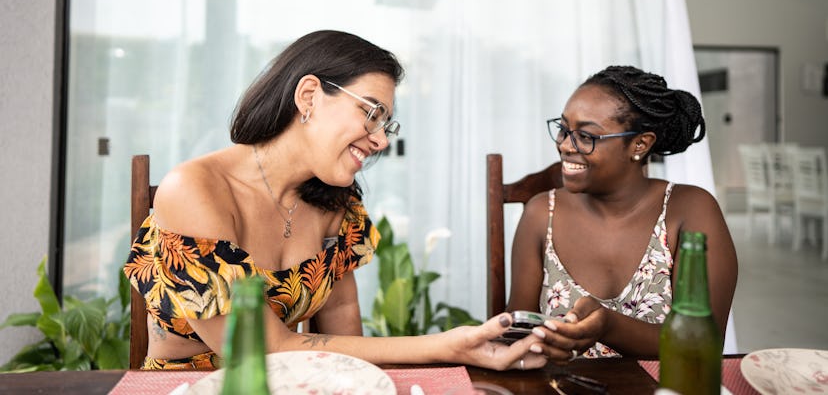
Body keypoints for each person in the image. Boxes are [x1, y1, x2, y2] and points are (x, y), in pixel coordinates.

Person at [124, 30, 545, 371]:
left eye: (386, 123)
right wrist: (448, 346)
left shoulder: (336, 205)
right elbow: (258, 351)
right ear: (309, 96)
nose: (380, 140)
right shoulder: (196, 189)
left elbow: (346, 341)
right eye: (371, 112)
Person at [507, 65, 737, 365]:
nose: (565, 145)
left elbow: (700, 345)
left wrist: (609, 325)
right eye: (564, 129)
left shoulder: (691, 211)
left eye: (586, 136)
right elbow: (516, 333)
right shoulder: (540, 214)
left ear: (640, 144)